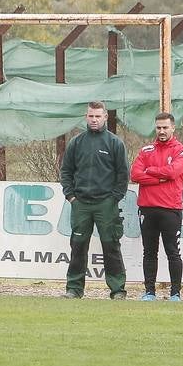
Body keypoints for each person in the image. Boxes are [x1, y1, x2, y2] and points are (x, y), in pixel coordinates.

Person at [59, 101, 129, 299]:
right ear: (86, 117)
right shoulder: (77, 142)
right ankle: (74, 288)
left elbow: (123, 174)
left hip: (106, 204)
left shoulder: (115, 143)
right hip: (80, 203)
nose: (94, 119)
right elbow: (66, 171)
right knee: (78, 245)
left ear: (106, 117)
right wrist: (71, 196)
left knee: (111, 245)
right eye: (91, 116)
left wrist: (114, 198)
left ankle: (117, 290)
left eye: (98, 116)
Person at [130, 111, 183, 301]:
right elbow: (135, 175)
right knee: (149, 251)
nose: (162, 131)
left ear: (173, 127)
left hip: (170, 208)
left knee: (173, 252)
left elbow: (174, 172)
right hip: (147, 208)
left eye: (165, 127)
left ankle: (175, 293)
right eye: (158, 127)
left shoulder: (181, 151)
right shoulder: (146, 150)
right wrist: (160, 177)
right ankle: (149, 292)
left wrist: (151, 171)